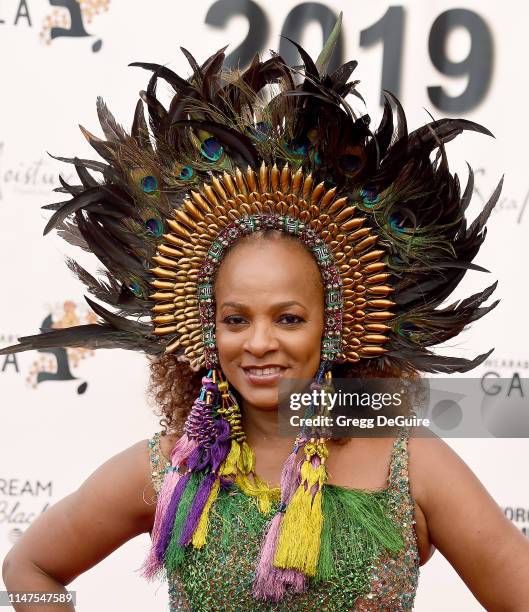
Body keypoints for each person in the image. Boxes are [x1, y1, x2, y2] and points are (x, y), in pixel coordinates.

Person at [3, 26, 529, 610]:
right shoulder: (169, 467)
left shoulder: (410, 461)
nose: (259, 343)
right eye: (235, 320)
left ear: (335, 324)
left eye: (288, 319)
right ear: (206, 327)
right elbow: (31, 566)